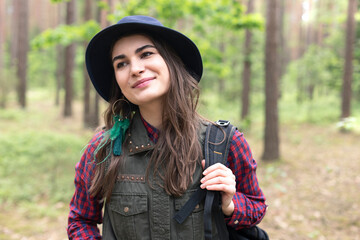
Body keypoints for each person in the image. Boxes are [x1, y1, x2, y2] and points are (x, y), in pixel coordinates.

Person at [67, 15, 267, 240]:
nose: (135, 69)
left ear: (171, 61)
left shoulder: (224, 142)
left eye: (146, 54)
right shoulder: (102, 150)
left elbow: (256, 208)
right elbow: (80, 220)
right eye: (121, 63)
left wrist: (230, 204)